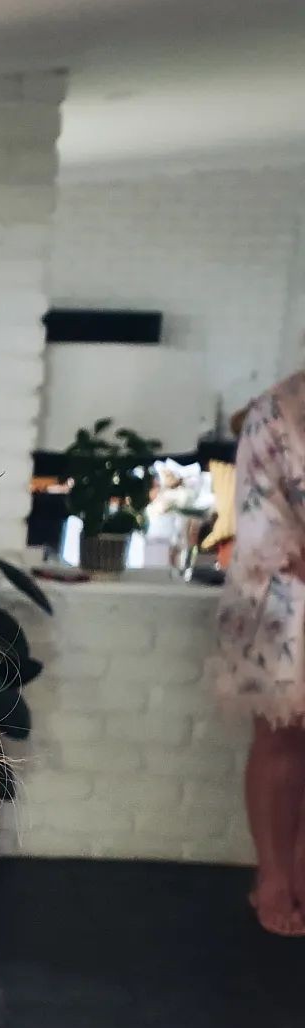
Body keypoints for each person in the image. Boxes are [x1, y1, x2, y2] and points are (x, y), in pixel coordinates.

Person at [215, 369, 305, 935]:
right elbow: (260, 524)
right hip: (286, 601)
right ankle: (273, 878)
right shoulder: (276, 412)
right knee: (280, 740)